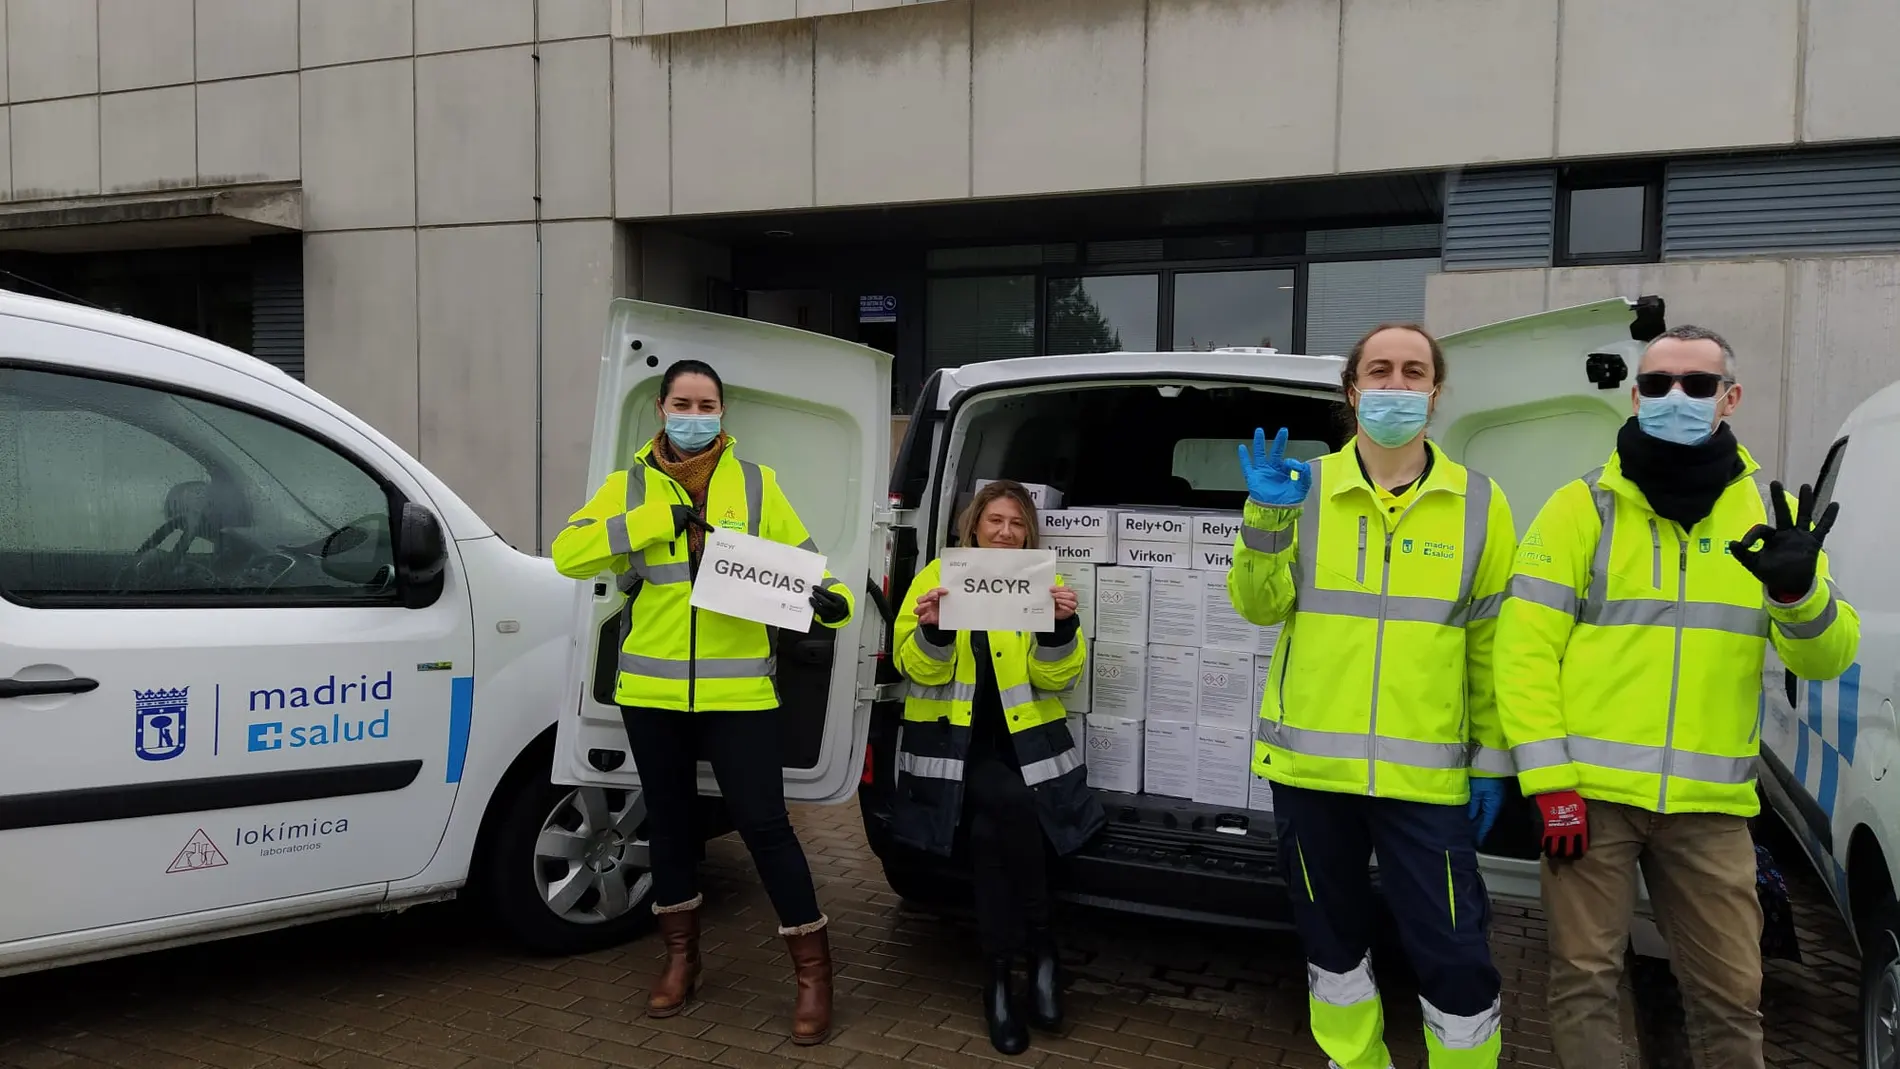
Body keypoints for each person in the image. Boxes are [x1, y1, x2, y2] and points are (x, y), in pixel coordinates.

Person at [1495, 324, 1859, 1069]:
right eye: (1659, 383)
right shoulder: (1582, 507)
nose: (1676, 397)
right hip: (1588, 801)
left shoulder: (1765, 518)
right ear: (1634, 394)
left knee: (1731, 995)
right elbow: (1523, 651)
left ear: (1731, 398)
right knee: (1583, 982)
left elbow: (1827, 656)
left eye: (1697, 384)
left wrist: (1797, 591)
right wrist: (1548, 780)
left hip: (1711, 807)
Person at [1230, 323, 1517, 1069]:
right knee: (1332, 946)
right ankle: (1355, 1063)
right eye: (1380, 371)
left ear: (1436, 390)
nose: (1396, 385)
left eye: (1413, 371)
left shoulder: (1481, 504)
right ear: (1352, 390)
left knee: (1456, 953)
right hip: (1311, 773)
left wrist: (1492, 759)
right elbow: (1259, 607)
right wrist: (1265, 519)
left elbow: (1490, 646)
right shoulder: (1304, 488)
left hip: (1426, 781)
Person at [550, 359, 854, 1046]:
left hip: (740, 691)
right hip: (651, 693)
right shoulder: (627, 485)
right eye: (683, 402)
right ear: (661, 409)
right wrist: (654, 518)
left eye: (707, 403)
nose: (696, 413)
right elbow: (568, 553)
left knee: (766, 826)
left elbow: (806, 562)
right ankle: (680, 959)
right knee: (672, 825)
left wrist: (831, 598)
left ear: (723, 412)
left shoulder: (755, 483)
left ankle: (813, 974)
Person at [890, 479, 1103, 1056]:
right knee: (1010, 809)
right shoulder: (936, 577)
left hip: (1024, 750)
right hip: (957, 751)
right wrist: (933, 628)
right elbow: (917, 667)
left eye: (1016, 523)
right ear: (975, 526)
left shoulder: (1043, 583)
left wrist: (1060, 628)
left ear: (1027, 533)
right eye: (995, 521)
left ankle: (1000, 981)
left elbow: (1059, 678)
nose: (1006, 532)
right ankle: (1040, 952)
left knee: (992, 835)